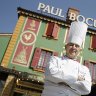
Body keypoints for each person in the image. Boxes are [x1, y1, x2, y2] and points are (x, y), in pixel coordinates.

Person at [41, 21, 92, 96]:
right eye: (71, 45)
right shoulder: (55, 59)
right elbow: (50, 73)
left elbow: (87, 88)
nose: (74, 47)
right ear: (66, 47)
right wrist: (76, 78)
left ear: (80, 50)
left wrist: (60, 79)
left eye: (77, 46)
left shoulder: (84, 69)